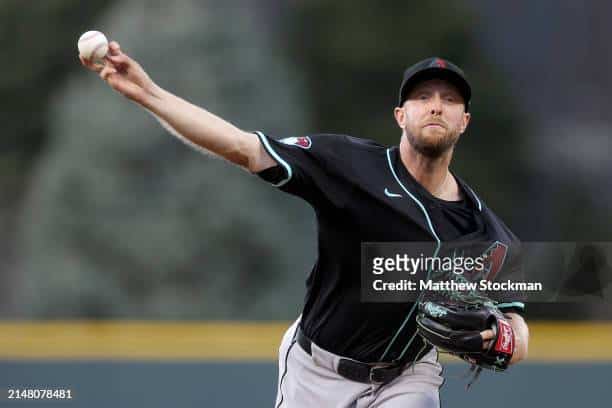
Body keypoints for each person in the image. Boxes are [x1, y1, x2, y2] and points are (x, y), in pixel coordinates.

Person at [81, 43, 529, 407]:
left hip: (407, 379)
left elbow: (517, 324)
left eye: (451, 100)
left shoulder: (484, 230)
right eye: (423, 97)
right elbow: (242, 147)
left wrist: (506, 337)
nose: (437, 107)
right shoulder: (350, 165)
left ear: (464, 122)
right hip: (316, 371)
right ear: (400, 115)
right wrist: (148, 93)